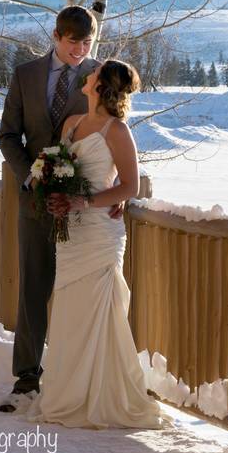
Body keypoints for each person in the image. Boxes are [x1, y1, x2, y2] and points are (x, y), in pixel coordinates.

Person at [25, 59, 163, 429]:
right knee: (69, 306)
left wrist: (83, 201)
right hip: (70, 230)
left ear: (101, 86)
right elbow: (56, 166)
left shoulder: (117, 131)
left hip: (99, 230)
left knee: (99, 309)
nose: (87, 74)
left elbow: (129, 186)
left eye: (94, 73)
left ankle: (102, 395)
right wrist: (51, 190)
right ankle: (67, 391)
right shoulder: (71, 124)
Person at [0, 5, 109, 412]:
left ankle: (70, 376)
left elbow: (118, 134)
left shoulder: (102, 77)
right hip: (34, 202)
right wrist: (31, 176)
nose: (81, 49)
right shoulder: (25, 75)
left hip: (84, 206)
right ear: (56, 37)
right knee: (33, 288)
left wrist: (115, 193)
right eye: (73, 40)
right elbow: (8, 136)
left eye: (87, 41)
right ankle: (26, 377)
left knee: (76, 290)